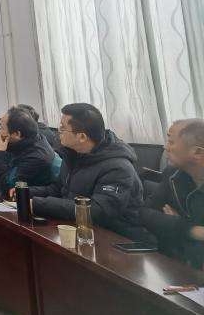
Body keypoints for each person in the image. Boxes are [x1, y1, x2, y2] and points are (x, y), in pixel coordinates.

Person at [28, 103, 154, 242]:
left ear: (82, 137)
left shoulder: (118, 168)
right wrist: (25, 193)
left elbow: (96, 211)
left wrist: (39, 205)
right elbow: (58, 189)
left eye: (63, 128)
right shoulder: (73, 155)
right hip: (81, 230)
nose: (58, 132)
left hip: (118, 239)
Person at [140, 119, 204, 267]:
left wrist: (170, 225)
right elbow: (144, 213)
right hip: (176, 263)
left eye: (171, 142)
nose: (165, 147)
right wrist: (189, 229)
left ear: (197, 152)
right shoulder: (173, 174)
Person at [0, 105, 60, 192]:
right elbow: (2, 171)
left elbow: (7, 185)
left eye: (2, 128)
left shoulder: (36, 156)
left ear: (17, 134)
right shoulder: (20, 143)